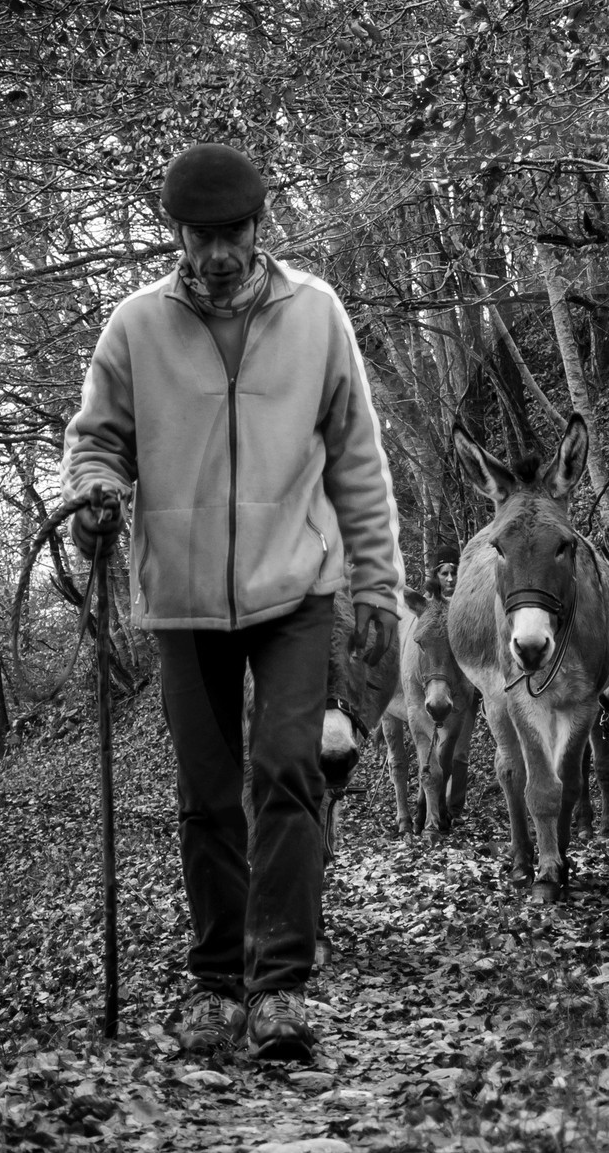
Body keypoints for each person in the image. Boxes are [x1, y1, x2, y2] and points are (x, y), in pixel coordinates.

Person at [62, 143, 402, 1064]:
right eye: (200, 236)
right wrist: (93, 498)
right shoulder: (135, 327)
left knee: (288, 769)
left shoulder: (317, 314)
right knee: (207, 795)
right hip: (180, 596)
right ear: (178, 234)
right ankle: (216, 982)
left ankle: (281, 987)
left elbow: (358, 462)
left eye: (232, 235)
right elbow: (96, 443)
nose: (216, 254)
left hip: (296, 588)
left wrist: (378, 584)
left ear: (260, 229)